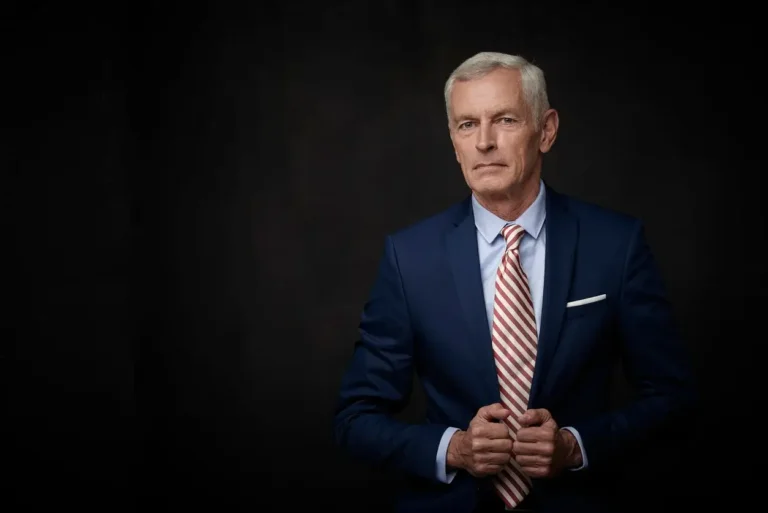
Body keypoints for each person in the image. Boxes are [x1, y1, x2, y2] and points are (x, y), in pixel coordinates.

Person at [333, 51, 696, 513]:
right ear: (454, 141)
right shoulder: (410, 258)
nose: (484, 141)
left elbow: (672, 398)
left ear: (546, 130)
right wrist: (455, 448)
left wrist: (575, 446)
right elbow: (354, 419)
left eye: (504, 119)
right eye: (467, 125)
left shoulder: (616, 244)